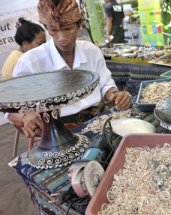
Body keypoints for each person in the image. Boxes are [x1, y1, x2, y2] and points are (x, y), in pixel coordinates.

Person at [6, 0, 132, 138]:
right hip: (57, 132)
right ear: (47, 28)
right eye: (53, 30)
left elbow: (105, 84)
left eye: (67, 29)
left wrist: (115, 95)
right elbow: (11, 106)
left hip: (98, 121)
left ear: (79, 26)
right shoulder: (30, 62)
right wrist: (25, 116)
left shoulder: (91, 51)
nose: (62, 38)